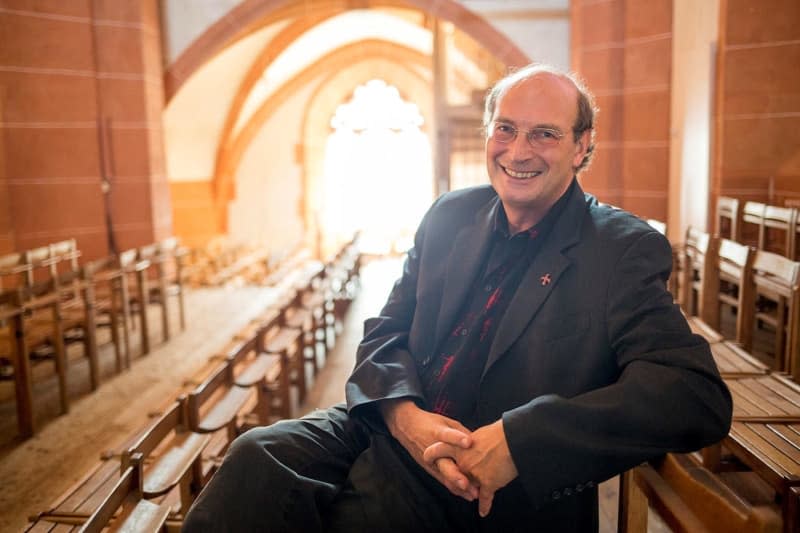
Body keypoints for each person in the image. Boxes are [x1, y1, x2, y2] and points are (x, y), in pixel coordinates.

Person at [183, 63, 732, 532]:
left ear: (582, 146)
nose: (518, 151)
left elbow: (693, 395)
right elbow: (385, 332)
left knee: (356, 515)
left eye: (545, 134)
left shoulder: (620, 249)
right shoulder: (450, 215)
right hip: (392, 424)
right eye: (506, 129)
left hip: (481, 478)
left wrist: (519, 441)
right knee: (256, 456)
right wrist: (401, 414)